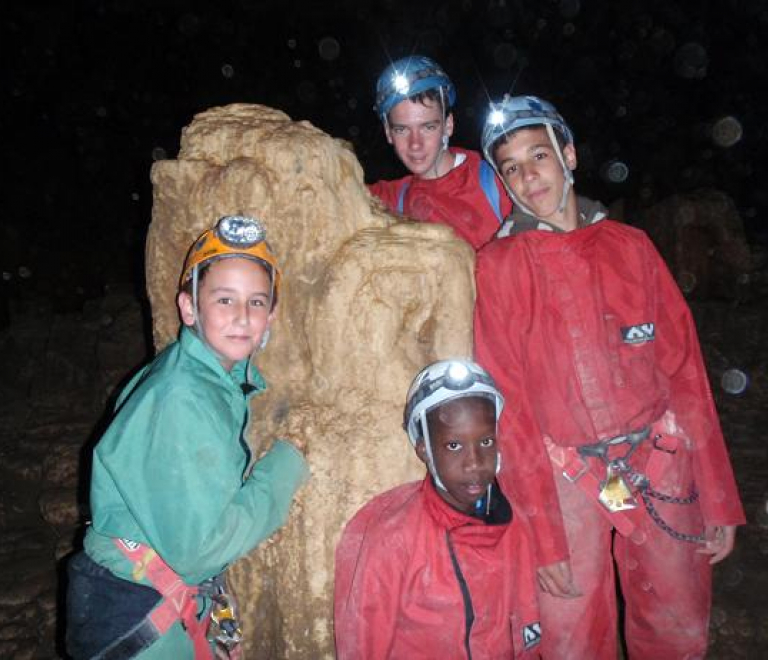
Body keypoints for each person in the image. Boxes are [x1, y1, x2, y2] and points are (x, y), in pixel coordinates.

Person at [474, 95, 746, 659]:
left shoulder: (631, 248)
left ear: (568, 155)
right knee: (569, 640)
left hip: (661, 463)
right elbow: (510, 407)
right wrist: (542, 536)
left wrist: (718, 498)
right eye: (512, 168)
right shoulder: (498, 267)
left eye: (539, 156)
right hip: (564, 478)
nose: (529, 176)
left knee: (677, 628)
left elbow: (685, 373)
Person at [66, 215, 310, 659]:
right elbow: (200, 551)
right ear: (189, 308)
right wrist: (284, 470)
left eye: (256, 302)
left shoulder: (208, 377)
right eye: (224, 300)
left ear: (272, 314)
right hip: (137, 618)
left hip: (140, 597)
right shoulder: (181, 396)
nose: (242, 316)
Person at [334, 359, 542, 659]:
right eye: (454, 446)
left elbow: (527, 632)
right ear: (425, 450)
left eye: (485, 441)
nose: (474, 462)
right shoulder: (394, 541)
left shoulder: (513, 527)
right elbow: (363, 647)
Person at [368, 55, 511, 250]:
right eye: (402, 129)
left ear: (448, 125)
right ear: (388, 133)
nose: (415, 144)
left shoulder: (498, 182)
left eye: (428, 127)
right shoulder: (387, 200)